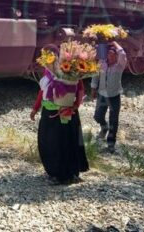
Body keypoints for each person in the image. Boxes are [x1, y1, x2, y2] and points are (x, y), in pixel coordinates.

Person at [30, 45, 89, 185]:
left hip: (66, 112)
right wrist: (35, 108)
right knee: (49, 142)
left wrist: (75, 105)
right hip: (48, 112)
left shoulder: (68, 71)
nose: (47, 58)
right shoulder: (47, 72)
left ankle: (66, 174)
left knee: (65, 142)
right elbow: (41, 92)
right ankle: (54, 171)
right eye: (45, 55)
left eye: (50, 55)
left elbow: (80, 88)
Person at [90, 41, 127, 153]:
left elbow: (123, 54)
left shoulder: (120, 66)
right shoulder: (102, 63)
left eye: (112, 55)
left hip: (114, 96)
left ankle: (111, 144)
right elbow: (95, 75)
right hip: (102, 95)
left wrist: (115, 43)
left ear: (116, 56)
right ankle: (104, 126)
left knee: (114, 121)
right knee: (97, 116)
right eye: (109, 54)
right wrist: (93, 89)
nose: (110, 57)